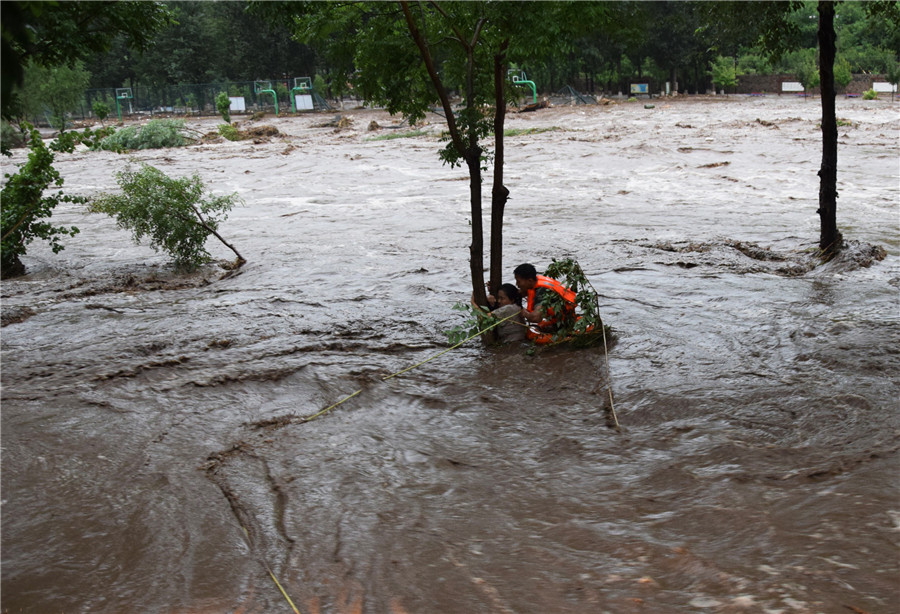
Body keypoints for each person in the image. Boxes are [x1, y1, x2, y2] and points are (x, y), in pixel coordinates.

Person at [513, 263, 577, 331]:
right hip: (562, 318)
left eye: (518, 281)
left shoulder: (542, 291)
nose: (517, 284)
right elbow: (523, 292)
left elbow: (536, 318)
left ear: (530, 281)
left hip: (564, 323)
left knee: (530, 334)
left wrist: (521, 311)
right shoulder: (536, 281)